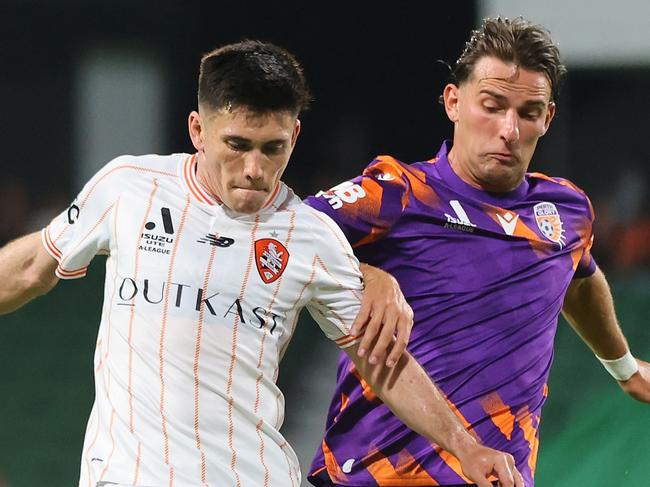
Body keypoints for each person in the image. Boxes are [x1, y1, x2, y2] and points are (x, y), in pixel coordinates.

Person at [0, 41, 522, 487]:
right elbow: (31, 268)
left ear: (294, 137)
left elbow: (385, 365)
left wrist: (465, 446)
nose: (255, 169)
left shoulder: (312, 238)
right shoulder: (129, 188)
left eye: (273, 148)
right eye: (237, 145)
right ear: (198, 130)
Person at [305, 17, 650, 487]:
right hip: (377, 476)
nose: (509, 128)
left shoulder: (565, 211)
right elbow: (288, 233)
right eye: (492, 106)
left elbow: (579, 278)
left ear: (547, 119)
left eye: (528, 113)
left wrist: (624, 367)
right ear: (453, 101)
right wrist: (365, 273)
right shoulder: (399, 191)